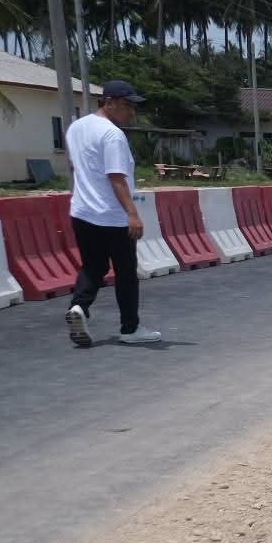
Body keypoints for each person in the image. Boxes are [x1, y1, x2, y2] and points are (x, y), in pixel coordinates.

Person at [64, 79, 160, 347]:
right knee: (126, 273)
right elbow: (116, 177)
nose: (131, 112)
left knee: (93, 266)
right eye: (127, 105)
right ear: (109, 102)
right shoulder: (112, 134)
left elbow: (76, 168)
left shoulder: (76, 129)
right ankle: (130, 328)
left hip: (82, 212)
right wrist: (132, 214)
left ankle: (79, 308)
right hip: (112, 215)